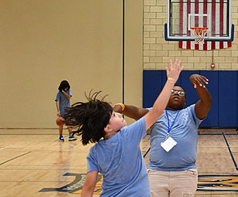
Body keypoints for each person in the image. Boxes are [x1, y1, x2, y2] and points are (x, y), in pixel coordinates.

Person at [64, 59, 183, 197]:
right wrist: (170, 81)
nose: (119, 114)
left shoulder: (94, 152)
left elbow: (89, 187)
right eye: (114, 115)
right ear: (107, 128)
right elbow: (157, 111)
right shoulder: (129, 134)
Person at [114, 73, 211, 197]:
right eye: (172, 92)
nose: (176, 94)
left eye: (181, 93)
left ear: (185, 100)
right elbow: (137, 112)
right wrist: (122, 107)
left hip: (185, 174)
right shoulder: (155, 113)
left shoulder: (192, 113)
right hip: (156, 173)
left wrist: (197, 84)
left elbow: (206, 102)